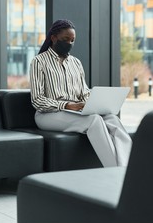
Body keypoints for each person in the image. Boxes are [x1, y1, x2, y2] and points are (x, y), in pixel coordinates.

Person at [30, 19, 132, 167]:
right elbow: (37, 100)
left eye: (72, 40)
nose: (70, 43)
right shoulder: (39, 62)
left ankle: (128, 168)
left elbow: (84, 91)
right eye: (66, 39)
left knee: (112, 119)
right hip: (47, 115)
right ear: (53, 38)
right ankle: (114, 170)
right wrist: (67, 105)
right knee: (94, 121)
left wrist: (95, 102)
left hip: (76, 112)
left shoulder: (76, 63)